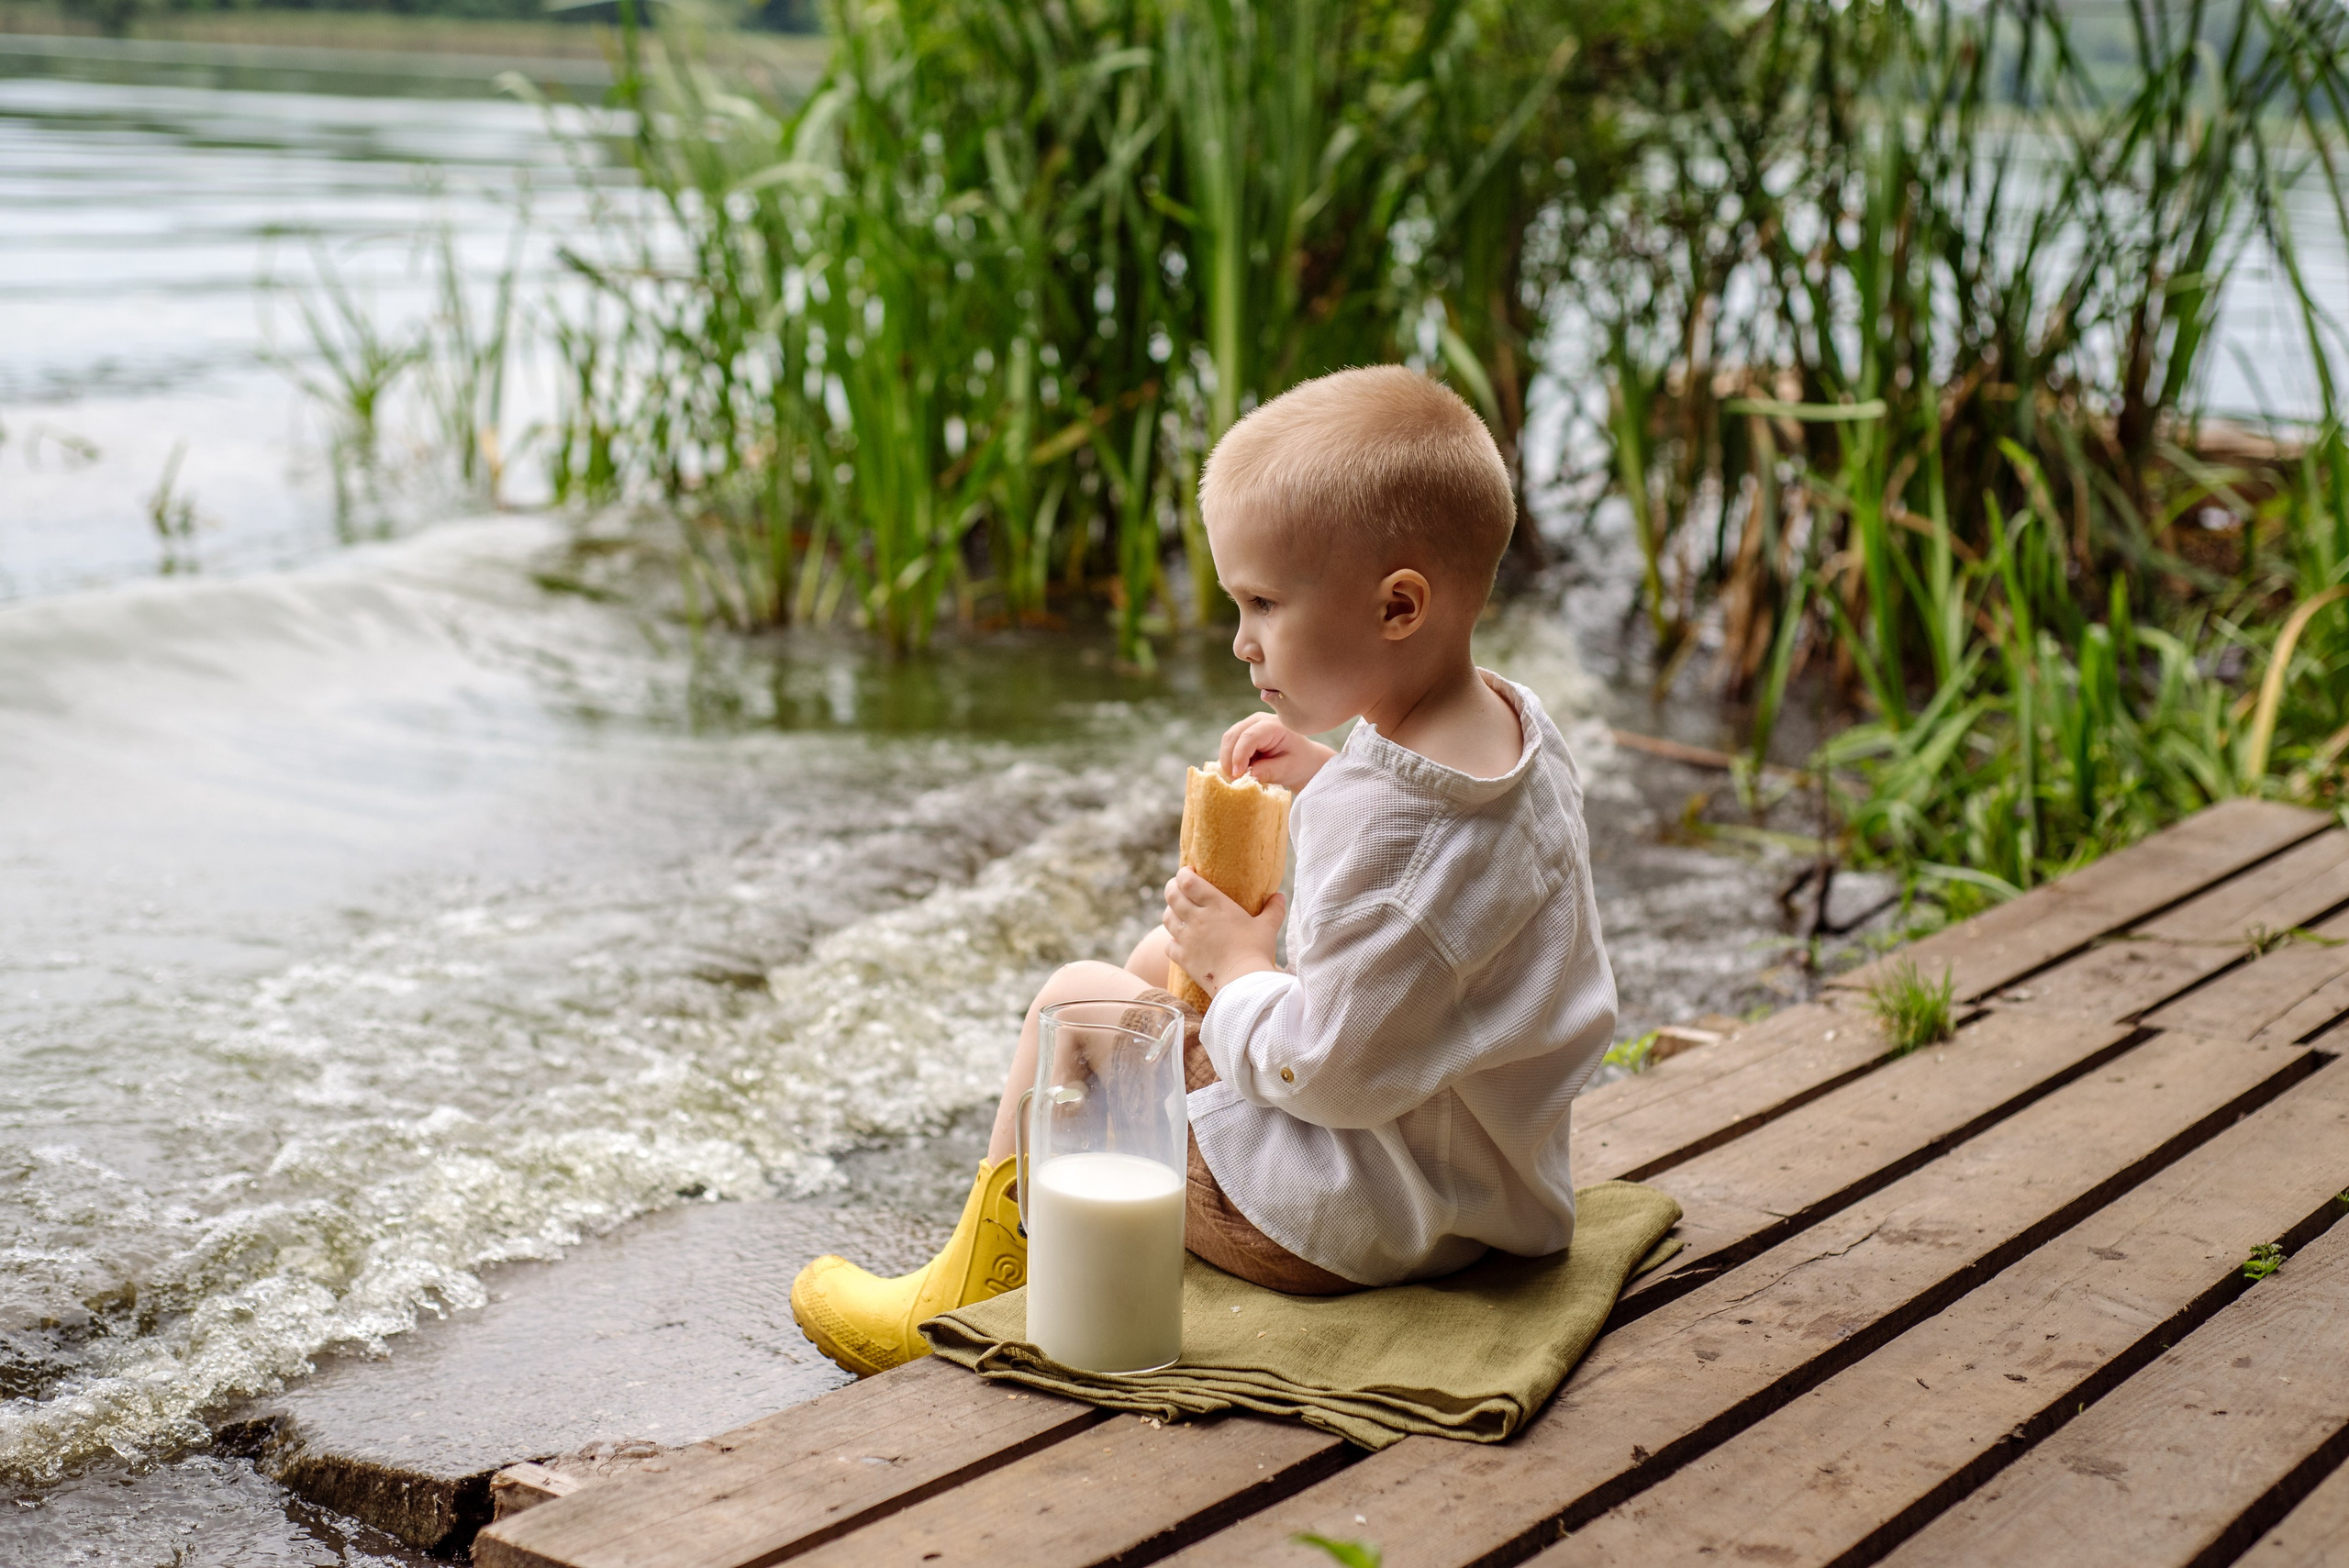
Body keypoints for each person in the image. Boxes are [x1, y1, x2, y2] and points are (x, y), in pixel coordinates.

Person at [790, 365, 1618, 1376]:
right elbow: (1437, 884)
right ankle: (1029, 1230)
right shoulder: (1510, 734)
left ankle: (970, 1288)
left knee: (1082, 1001)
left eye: (1263, 603)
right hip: (1483, 1185)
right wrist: (1325, 777)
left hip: (1345, 1219)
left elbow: (1327, 1068)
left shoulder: (1395, 843)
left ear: (1399, 606)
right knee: (1152, 957)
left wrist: (1240, 964)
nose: (1241, 641)